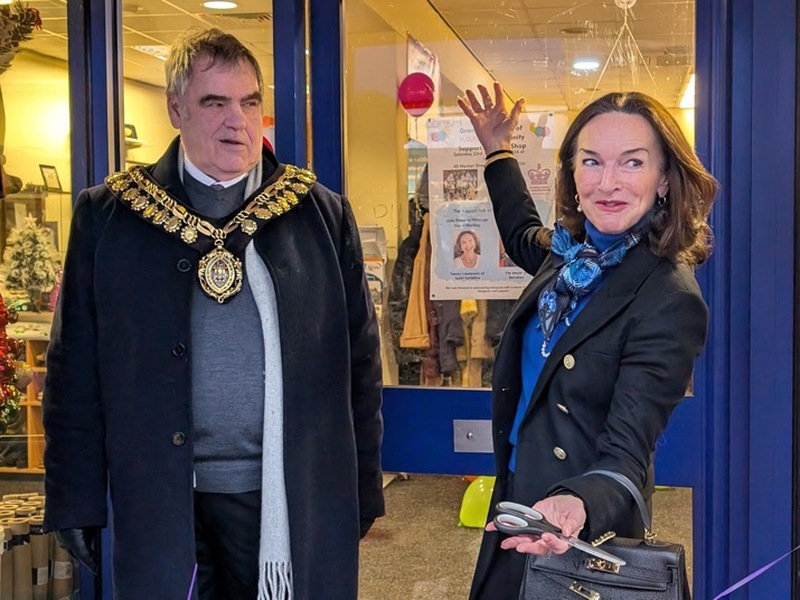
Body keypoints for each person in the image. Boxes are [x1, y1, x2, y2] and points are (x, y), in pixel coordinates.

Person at [42, 28, 384, 600]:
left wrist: (363, 489)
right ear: (175, 108)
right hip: (157, 495)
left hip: (283, 492)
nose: (239, 121)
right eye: (215, 102)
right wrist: (73, 496)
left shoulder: (318, 215)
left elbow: (359, 368)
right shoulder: (111, 216)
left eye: (250, 102)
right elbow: (73, 369)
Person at [457, 82, 718, 598]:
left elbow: (627, 448)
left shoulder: (669, 298)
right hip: (518, 497)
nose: (609, 182)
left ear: (665, 178)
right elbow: (518, 229)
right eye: (592, 162)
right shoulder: (569, 256)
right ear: (573, 177)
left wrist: (576, 504)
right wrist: (497, 151)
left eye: (633, 163)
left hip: (578, 524)